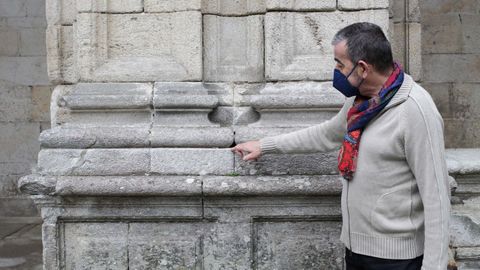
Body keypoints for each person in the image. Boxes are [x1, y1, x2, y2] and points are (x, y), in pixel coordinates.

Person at [231, 22, 450, 270]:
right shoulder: (361, 103)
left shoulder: (416, 110)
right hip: (356, 252)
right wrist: (265, 145)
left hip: (398, 260)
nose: (335, 70)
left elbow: (438, 199)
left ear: (363, 68)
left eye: (339, 64)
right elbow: (326, 134)